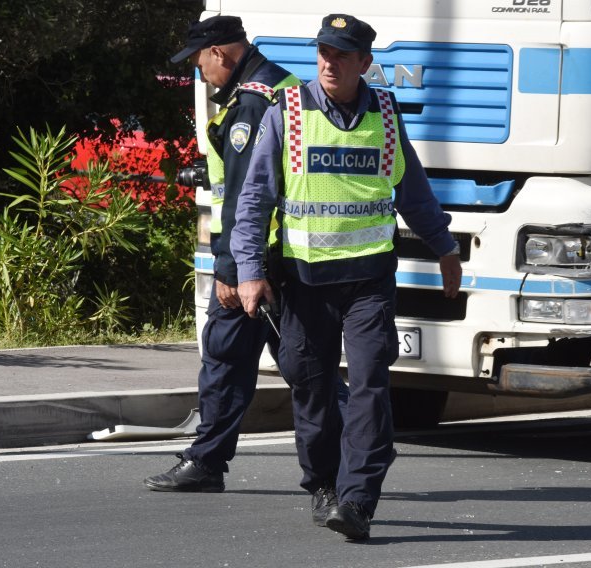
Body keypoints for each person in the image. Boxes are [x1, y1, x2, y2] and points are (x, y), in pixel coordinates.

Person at [231, 14, 462, 539]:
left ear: (365, 63)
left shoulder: (384, 110)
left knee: (370, 386)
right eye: (323, 52)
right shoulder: (286, 112)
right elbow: (254, 200)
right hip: (304, 282)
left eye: (341, 54)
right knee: (311, 390)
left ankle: (357, 498)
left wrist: (445, 247)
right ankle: (323, 483)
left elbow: (413, 191)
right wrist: (248, 271)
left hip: (369, 282)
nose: (329, 62)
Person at [143, 15, 304, 493]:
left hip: (255, 258)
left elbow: (240, 194)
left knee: (228, 360)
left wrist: (232, 269)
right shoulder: (282, 86)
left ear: (219, 53)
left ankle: (207, 462)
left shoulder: (251, 103)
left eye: (198, 63)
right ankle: (361, 440)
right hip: (281, 254)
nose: (199, 73)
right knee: (295, 363)